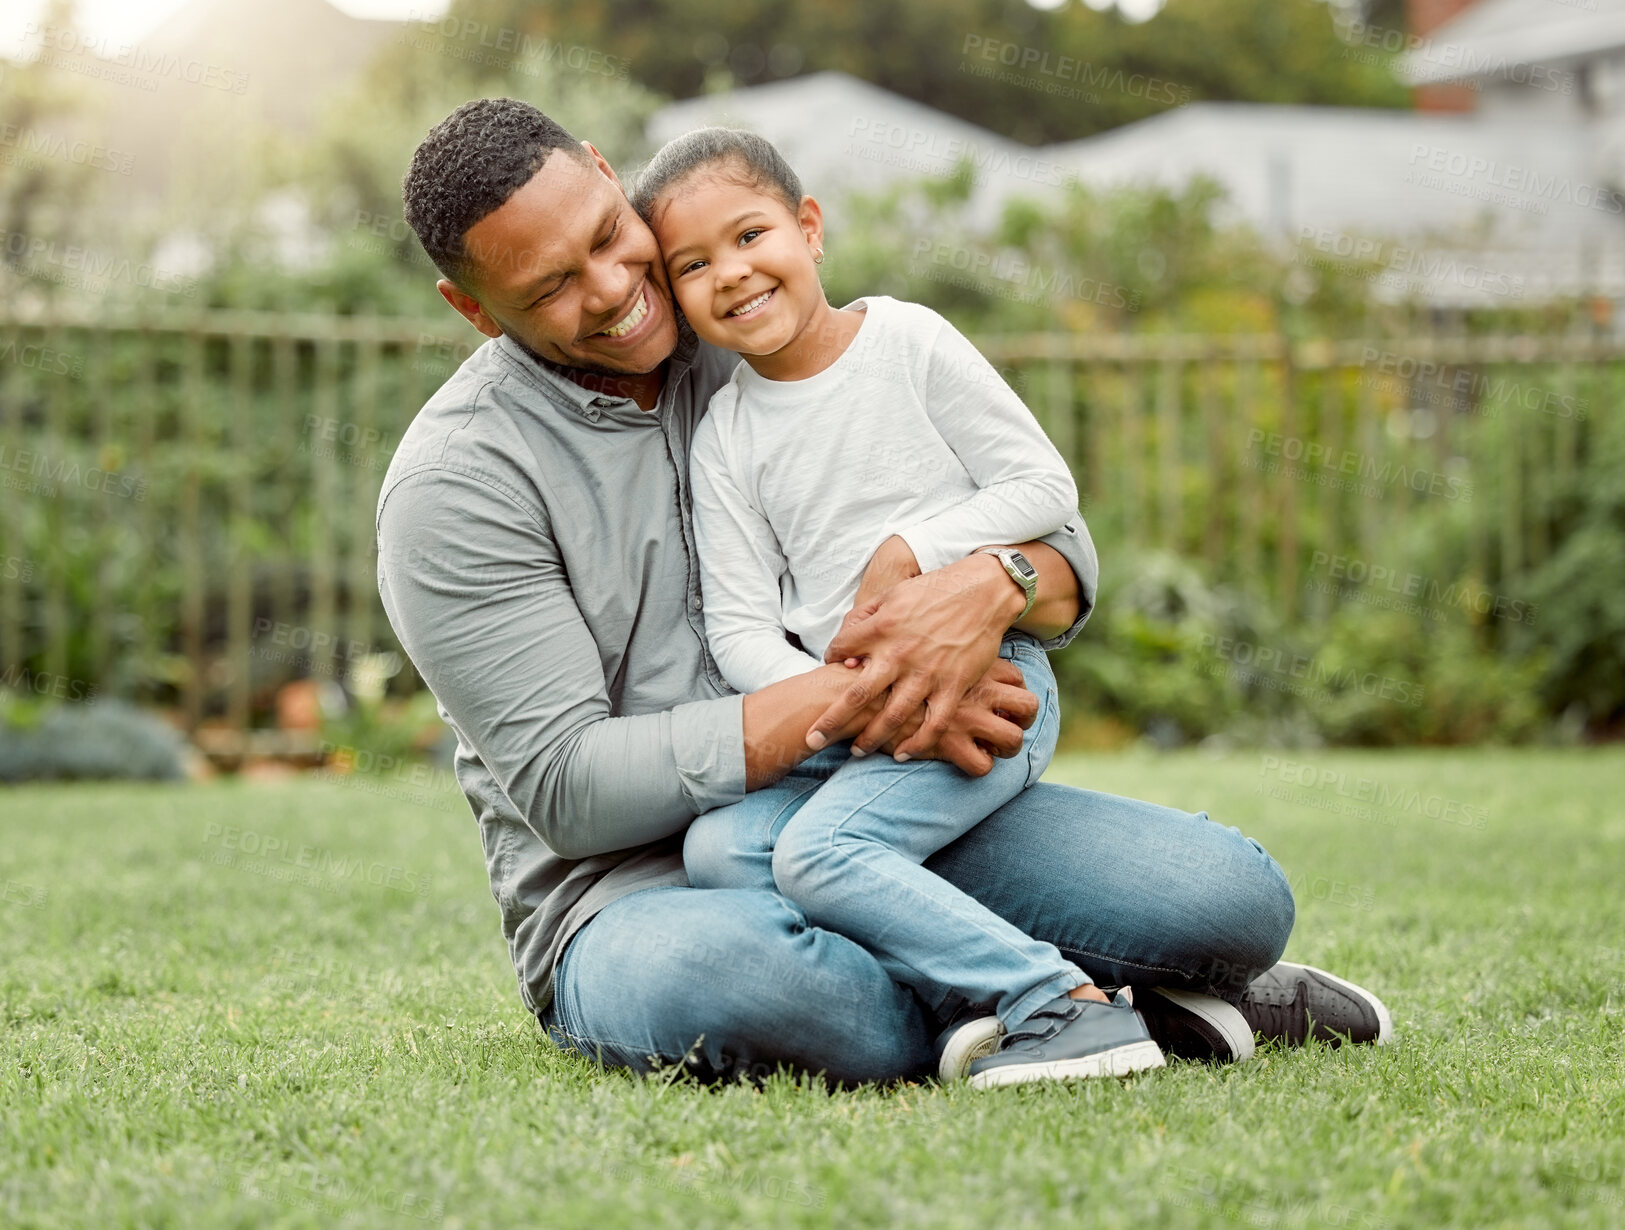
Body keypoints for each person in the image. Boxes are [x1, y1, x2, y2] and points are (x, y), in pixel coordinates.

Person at [379, 97, 1391, 1088]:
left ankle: (1059, 997)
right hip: (637, 897)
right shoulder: (457, 485)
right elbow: (568, 788)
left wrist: (989, 587)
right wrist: (874, 684)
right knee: (746, 981)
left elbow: (1057, 543)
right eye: (554, 285)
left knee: (1225, 902)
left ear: (608, 174)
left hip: (857, 805)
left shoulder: (739, 326)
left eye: (610, 235)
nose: (612, 290)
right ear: (474, 311)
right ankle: (1079, 1000)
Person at [633, 126, 1164, 1087]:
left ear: (809, 228)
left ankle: (1060, 1007)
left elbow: (1042, 484)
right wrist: (856, 696)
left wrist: (912, 549)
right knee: (721, 848)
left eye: (751, 236)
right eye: (693, 265)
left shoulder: (908, 343)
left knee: (821, 857)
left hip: (985, 689)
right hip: (848, 723)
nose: (732, 274)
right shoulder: (727, 436)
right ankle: (1014, 990)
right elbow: (742, 631)